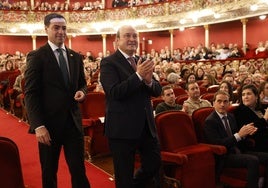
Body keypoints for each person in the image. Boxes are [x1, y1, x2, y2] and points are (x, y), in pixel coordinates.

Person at [24, 13, 90, 188]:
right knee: (49, 171)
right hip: (48, 127)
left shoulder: (75, 57)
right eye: (56, 27)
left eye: (64, 28)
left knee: (79, 170)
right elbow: (30, 93)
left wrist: (82, 93)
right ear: (46, 29)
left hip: (73, 124)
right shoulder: (37, 56)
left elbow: (82, 84)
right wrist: (38, 126)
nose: (61, 31)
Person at [100, 25, 162, 188]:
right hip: (122, 129)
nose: (132, 39)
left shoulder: (140, 60)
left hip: (146, 127)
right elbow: (114, 92)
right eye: (127, 36)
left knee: (153, 165)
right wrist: (138, 76)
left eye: (135, 36)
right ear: (117, 40)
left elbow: (157, 90)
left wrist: (148, 80)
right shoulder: (108, 63)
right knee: (124, 175)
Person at [204, 90, 268, 188]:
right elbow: (217, 143)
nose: (222, 104)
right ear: (213, 103)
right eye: (219, 101)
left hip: (238, 150)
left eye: (225, 102)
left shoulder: (231, 116)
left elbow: (239, 136)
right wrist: (239, 135)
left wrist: (246, 133)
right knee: (252, 160)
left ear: (229, 103)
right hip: (224, 155)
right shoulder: (210, 121)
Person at [233, 84, 268, 152]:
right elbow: (250, 128)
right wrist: (265, 119)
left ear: (256, 96)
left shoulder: (261, 109)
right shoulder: (240, 111)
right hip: (257, 143)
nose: (245, 97)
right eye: (243, 95)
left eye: (248, 94)